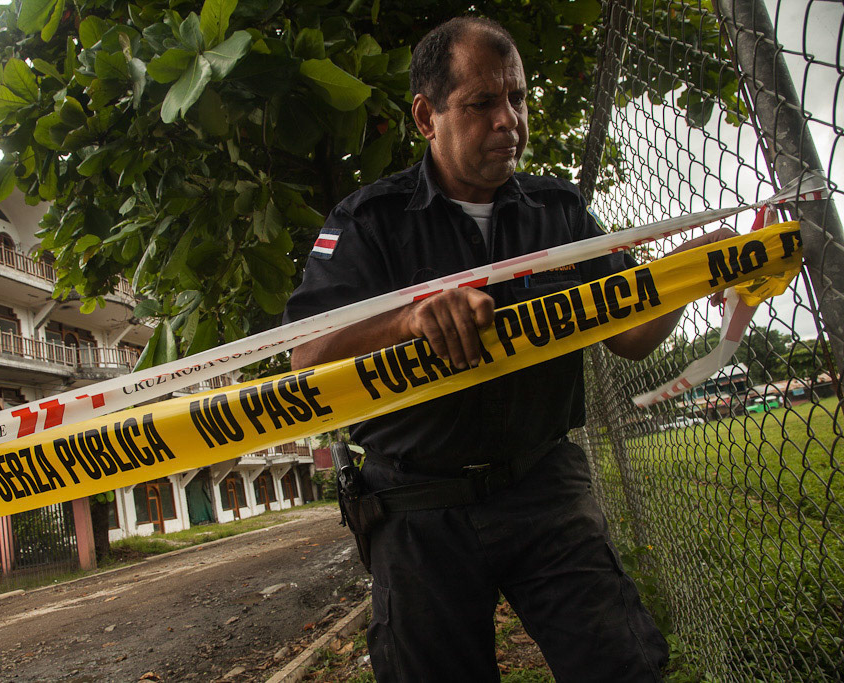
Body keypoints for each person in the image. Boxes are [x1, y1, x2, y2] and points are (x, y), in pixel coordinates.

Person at [284, 16, 732, 682]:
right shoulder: (368, 221)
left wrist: (691, 272)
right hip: (418, 506)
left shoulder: (559, 212)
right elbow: (305, 353)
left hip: (545, 487)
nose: (509, 121)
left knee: (622, 666)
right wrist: (408, 321)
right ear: (425, 115)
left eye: (517, 98)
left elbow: (633, 334)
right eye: (482, 103)